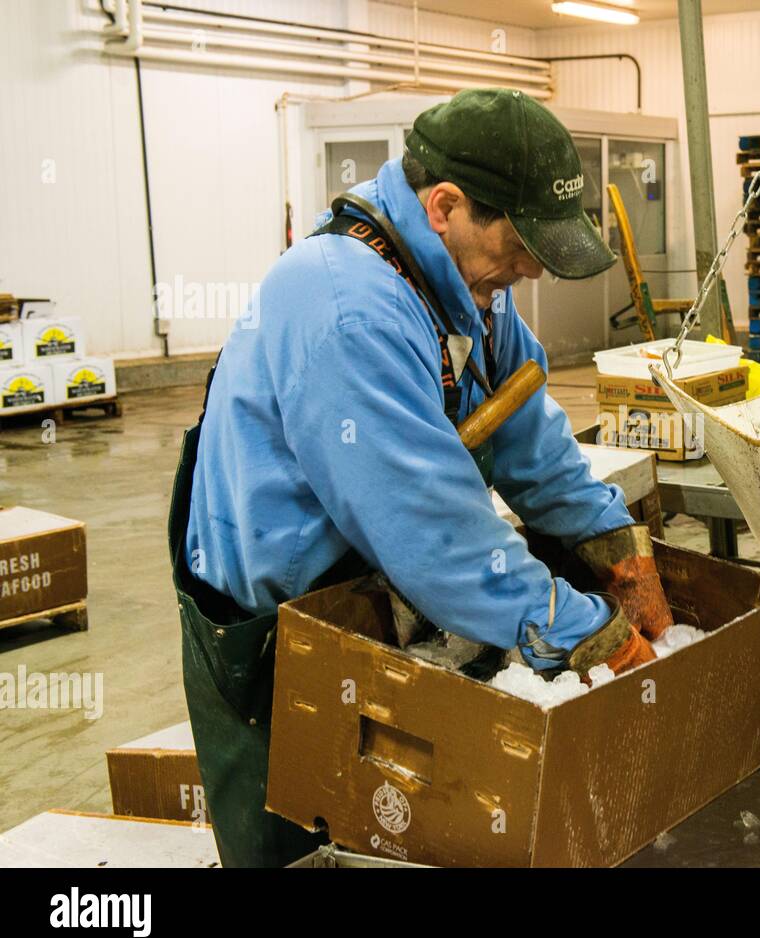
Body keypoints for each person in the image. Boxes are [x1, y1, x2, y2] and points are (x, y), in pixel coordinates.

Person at [167, 88, 673, 867]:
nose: (531, 268)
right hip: (273, 631)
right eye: (521, 245)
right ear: (445, 205)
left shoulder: (465, 281)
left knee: (395, 824)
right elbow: (439, 539)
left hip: (369, 587)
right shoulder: (349, 308)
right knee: (306, 848)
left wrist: (611, 539)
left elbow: (527, 425)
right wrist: (587, 631)